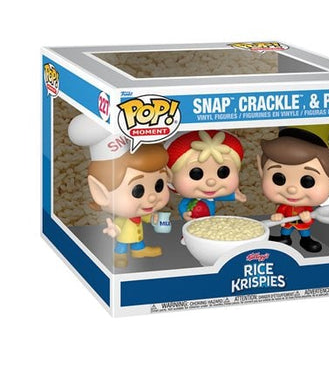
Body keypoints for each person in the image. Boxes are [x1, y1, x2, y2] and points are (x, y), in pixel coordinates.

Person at [68, 114, 171, 267]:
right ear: (100, 193)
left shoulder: (141, 212)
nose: (151, 198)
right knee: (122, 244)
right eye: (138, 190)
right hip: (123, 237)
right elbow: (118, 225)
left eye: (159, 185)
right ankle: (120, 255)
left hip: (138, 236)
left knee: (138, 241)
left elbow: (147, 218)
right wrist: (114, 230)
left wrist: (154, 219)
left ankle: (139, 250)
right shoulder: (123, 218)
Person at [257, 126, 329, 253]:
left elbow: (311, 216)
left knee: (304, 232)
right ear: (261, 172)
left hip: (302, 224)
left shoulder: (307, 208)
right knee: (286, 230)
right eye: (279, 178)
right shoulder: (285, 205)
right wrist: (278, 215)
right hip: (287, 223)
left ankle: (306, 240)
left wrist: (308, 217)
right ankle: (285, 238)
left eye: (307, 181)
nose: (292, 189)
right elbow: (281, 211)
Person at [166, 130, 246, 222]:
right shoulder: (190, 200)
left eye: (223, 172)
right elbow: (183, 206)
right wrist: (185, 214)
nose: (211, 182)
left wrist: (235, 196)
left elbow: (221, 197)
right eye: (196, 174)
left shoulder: (211, 195)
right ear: (168, 176)